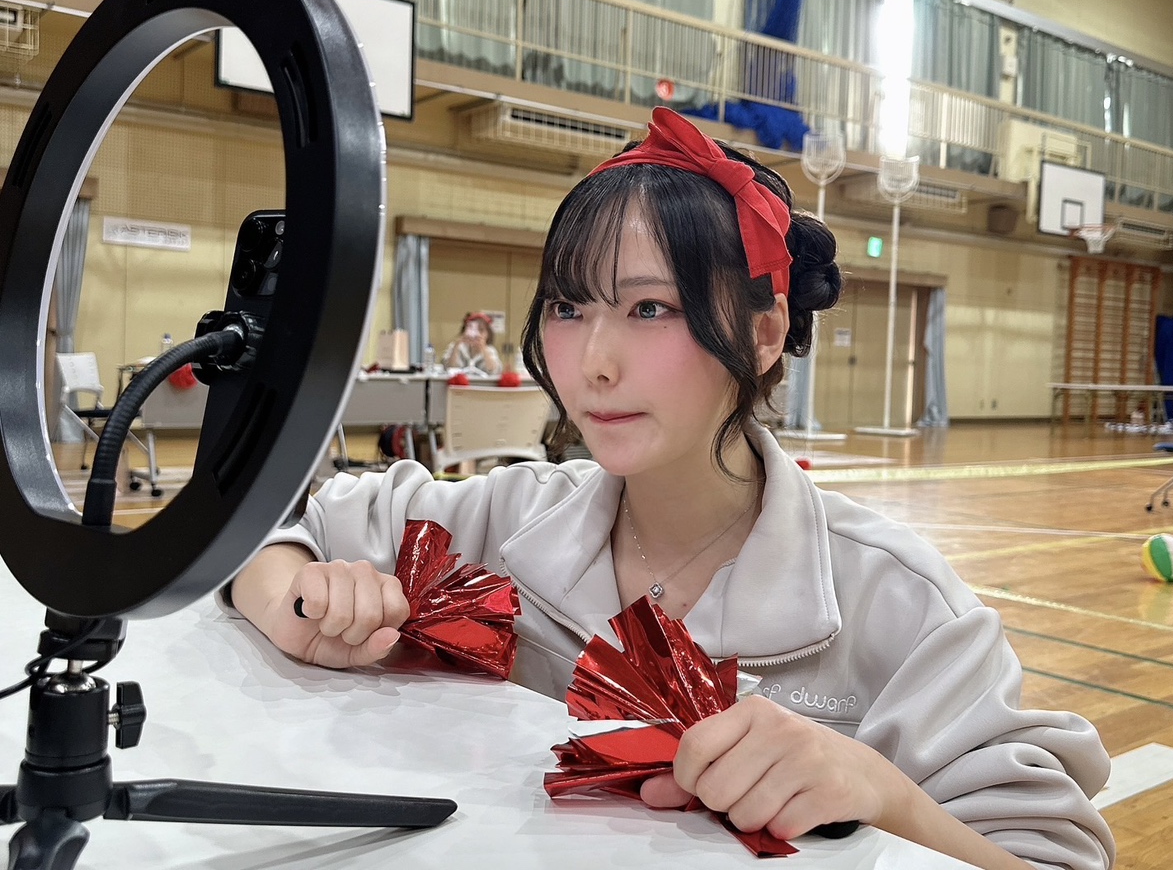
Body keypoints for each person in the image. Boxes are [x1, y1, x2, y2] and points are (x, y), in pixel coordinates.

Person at [226, 108, 1115, 870]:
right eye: (568, 307)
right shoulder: (510, 514)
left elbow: (1049, 853)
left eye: (649, 308)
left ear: (762, 333)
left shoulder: (898, 605)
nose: (593, 363)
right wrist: (296, 601)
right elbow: (268, 528)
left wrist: (881, 792)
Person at [441, 311, 503, 375]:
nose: (476, 334)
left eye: (481, 330)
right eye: (471, 328)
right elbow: (448, 368)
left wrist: (483, 349)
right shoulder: (455, 346)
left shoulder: (490, 350)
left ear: (488, 334)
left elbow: (494, 371)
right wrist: (457, 345)